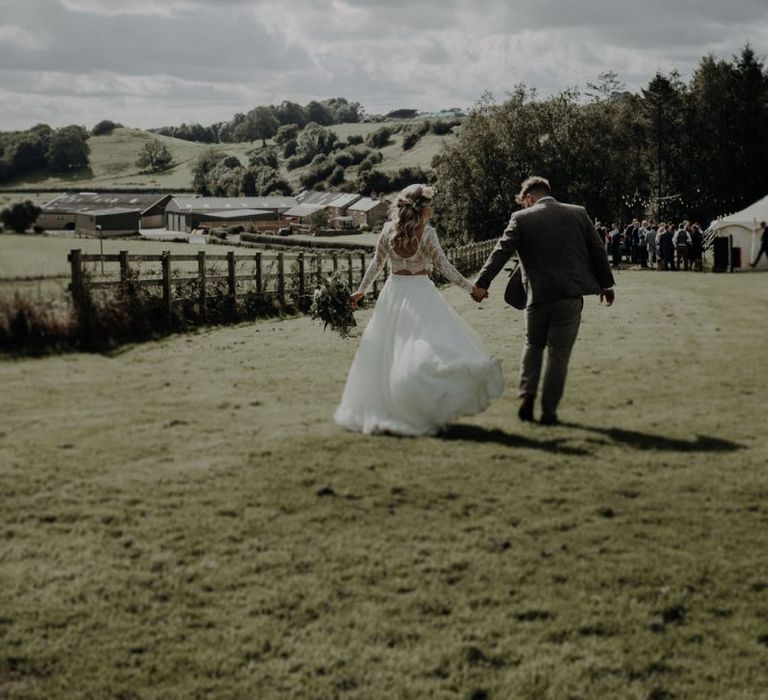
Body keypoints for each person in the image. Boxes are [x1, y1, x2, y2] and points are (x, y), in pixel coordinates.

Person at [334, 184, 504, 436]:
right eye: (429, 204)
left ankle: (399, 404)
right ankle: (416, 401)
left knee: (390, 353)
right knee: (427, 345)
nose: (432, 208)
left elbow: (376, 265)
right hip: (420, 294)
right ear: (420, 207)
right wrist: (471, 289)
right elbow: (445, 267)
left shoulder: (386, 231)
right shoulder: (428, 234)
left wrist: (361, 290)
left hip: (393, 294)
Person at [471, 176, 615, 426]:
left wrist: (482, 284)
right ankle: (549, 412)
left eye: (524, 202)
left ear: (529, 197)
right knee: (559, 355)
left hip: (537, 296)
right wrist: (606, 284)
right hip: (570, 297)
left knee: (532, 344)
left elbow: (500, 251)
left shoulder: (521, 219)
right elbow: (597, 250)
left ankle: (527, 399)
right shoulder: (578, 213)